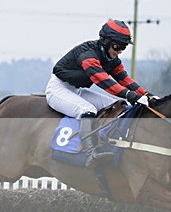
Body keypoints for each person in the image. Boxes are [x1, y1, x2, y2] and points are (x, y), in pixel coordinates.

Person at [46, 19, 157, 167]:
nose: (120, 51)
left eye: (123, 47)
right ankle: (90, 153)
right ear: (106, 41)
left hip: (76, 90)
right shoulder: (88, 55)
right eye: (117, 46)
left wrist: (148, 95)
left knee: (116, 106)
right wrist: (133, 97)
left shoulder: (112, 60)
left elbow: (126, 80)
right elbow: (104, 82)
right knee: (88, 110)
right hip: (58, 89)